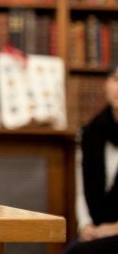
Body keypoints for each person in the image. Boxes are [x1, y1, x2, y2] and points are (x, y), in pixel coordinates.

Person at [65, 65, 118, 253]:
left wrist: (114, 229)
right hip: (97, 229)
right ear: (106, 84)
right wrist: (85, 225)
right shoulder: (89, 133)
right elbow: (81, 191)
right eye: (116, 80)